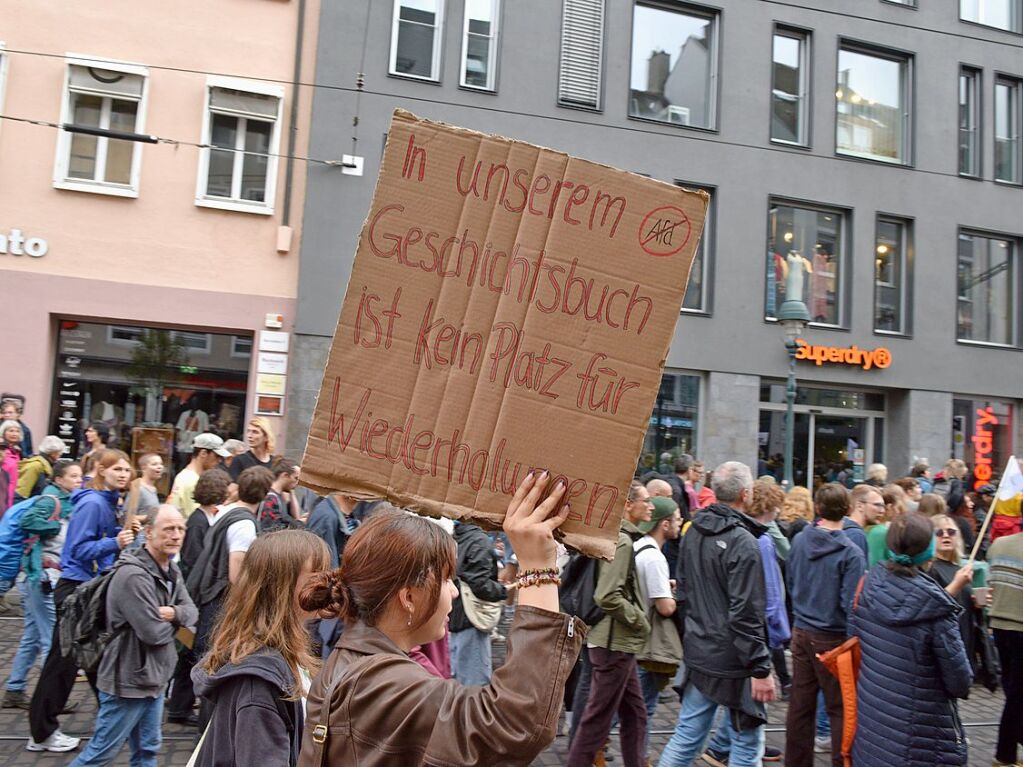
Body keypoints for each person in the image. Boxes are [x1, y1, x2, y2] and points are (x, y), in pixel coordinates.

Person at [296, 470, 580, 766]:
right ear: (408, 598)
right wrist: (538, 569)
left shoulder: (358, 665)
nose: (454, 593)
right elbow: (514, 724)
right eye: (446, 579)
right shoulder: (380, 683)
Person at [659, 462, 776, 767]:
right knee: (747, 745)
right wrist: (760, 669)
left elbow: (682, 594)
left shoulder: (693, 530)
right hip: (735, 662)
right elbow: (746, 613)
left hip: (700, 653)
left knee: (686, 736)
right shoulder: (744, 542)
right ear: (745, 494)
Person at [66, 505, 196, 767]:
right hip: (128, 681)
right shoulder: (132, 575)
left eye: (180, 529)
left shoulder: (172, 570)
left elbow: (192, 613)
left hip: (155, 679)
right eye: (168, 529)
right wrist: (179, 622)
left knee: (147, 751)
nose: (176, 535)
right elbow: (153, 633)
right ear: (148, 532)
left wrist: (172, 612)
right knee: (100, 754)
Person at [28, 449, 138, 753]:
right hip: (78, 590)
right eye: (116, 469)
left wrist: (121, 532)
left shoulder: (107, 501)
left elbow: (99, 539)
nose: (123, 474)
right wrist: (114, 541)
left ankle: (112, 719)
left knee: (94, 658)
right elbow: (77, 550)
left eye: (127, 470)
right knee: (64, 663)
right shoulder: (92, 503)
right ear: (101, 471)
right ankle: (41, 732)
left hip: (90, 589)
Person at [191, 530, 329, 767]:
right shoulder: (259, 683)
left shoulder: (287, 655)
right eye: (316, 576)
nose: (327, 584)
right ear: (280, 589)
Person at [851, 513, 972, 766]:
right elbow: (960, 682)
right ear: (929, 550)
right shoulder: (936, 609)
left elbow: (855, 635)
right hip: (922, 737)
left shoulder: (869, 584)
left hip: (875, 723)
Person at [703, 479, 788, 767]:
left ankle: (719, 746)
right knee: (751, 711)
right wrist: (775, 637)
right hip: (753, 636)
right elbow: (768, 598)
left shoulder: (742, 535)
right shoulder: (759, 541)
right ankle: (725, 748)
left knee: (737, 703)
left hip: (731, 636)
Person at [568, 480, 652, 767]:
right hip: (613, 642)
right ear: (628, 505)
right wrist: (640, 620)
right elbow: (607, 595)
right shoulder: (623, 541)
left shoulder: (612, 535)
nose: (651, 506)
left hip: (613, 641)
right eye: (646, 500)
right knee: (596, 721)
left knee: (635, 713)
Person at [784, 483, 866, 767]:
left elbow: (791, 582)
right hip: (833, 638)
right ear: (848, 509)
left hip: (801, 631)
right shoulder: (851, 552)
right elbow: (851, 604)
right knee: (840, 708)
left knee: (800, 705)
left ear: (817, 507)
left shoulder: (799, 541)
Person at [2, 459, 82, 710]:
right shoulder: (50, 501)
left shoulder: (62, 500)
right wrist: (55, 525)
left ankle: (15, 689)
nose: (78, 480)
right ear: (59, 479)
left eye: (80, 476)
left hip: (36, 578)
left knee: (33, 637)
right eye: (73, 476)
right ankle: (49, 702)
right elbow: (28, 521)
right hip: (42, 578)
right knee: (52, 641)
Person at [187, 466, 273, 662]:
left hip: (208, 591)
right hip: (220, 600)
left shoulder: (226, 512)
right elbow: (236, 574)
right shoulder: (244, 524)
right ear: (264, 495)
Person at [167, 468, 232, 725]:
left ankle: (179, 705)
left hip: (195, 595)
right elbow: (195, 562)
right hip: (194, 597)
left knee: (188, 651)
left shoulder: (206, 518)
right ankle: (179, 705)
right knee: (188, 651)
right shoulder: (197, 522)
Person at [634, 496, 682, 760]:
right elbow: (665, 608)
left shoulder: (639, 546)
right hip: (647, 644)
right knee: (643, 708)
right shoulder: (654, 558)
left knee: (633, 707)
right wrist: (674, 597)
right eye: (676, 519)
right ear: (664, 524)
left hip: (636, 639)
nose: (679, 523)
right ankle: (639, 758)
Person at [449, 518, 509, 686]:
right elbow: (480, 584)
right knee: (475, 683)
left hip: (457, 614)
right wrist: (502, 590)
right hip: (472, 617)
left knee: (459, 678)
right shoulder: (479, 540)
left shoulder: (458, 537)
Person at [988, 526, 1023, 766]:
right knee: (1017, 696)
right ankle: (1004, 754)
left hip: (1000, 625)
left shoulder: (999, 545)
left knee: (1014, 691)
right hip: (1021, 627)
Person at [168, 433, 231, 518]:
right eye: (217, 456)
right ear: (203, 453)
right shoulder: (192, 481)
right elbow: (198, 515)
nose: (219, 460)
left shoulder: (185, 476)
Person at [259, 458, 306, 533]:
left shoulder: (278, 497)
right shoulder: (270, 499)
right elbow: (271, 529)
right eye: (296, 478)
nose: (297, 483)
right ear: (285, 475)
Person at [15, 435, 65, 501]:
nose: (60, 455)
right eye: (59, 453)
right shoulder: (35, 466)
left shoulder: (50, 466)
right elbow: (21, 493)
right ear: (53, 453)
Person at [843, 484, 884, 559]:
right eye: (877, 505)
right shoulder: (856, 535)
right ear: (859, 506)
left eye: (883, 506)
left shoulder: (842, 526)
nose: (882, 511)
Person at [124, 453, 164, 521]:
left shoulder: (153, 489)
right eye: (154, 464)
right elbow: (126, 517)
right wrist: (151, 517)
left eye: (161, 464)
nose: (159, 467)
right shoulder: (137, 488)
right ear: (143, 468)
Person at [1, 418, 23, 511]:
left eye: (17, 431)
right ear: (3, 433)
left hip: (13, 494)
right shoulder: (3, 452)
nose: (14, 434)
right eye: (11, 431)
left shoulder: (18, 452)